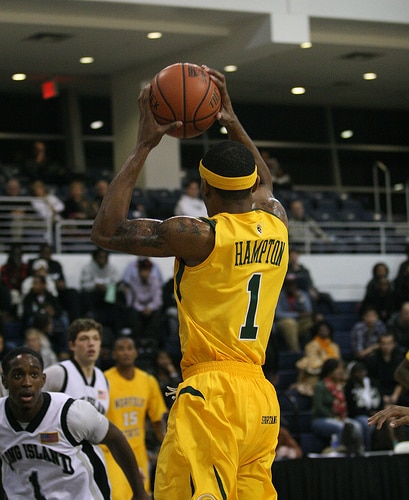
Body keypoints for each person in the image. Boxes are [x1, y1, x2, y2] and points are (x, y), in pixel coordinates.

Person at [90, 66, 288, 500]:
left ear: (205, 188)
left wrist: (144, 144)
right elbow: (266, 183)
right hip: (260, 398)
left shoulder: (198, 236)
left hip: (211, 393)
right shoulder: (276, 223)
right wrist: (231, 119)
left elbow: (106, 231)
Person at [0, 346, 149, 499]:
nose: (27, 383)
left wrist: (139, 492)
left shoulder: (70, 412)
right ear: (4, 381)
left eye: (33, 375)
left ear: (43, 380)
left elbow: (116, 438)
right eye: (18, 376)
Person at [103, 336, 168, 498]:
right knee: (118, 495)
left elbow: (157, 420)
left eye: (130, 348)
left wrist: (168, 445)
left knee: (141, 496)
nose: (126, 352)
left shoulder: (148, 381)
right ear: (114, 354)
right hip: (111, 452)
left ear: (136, 353)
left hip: (138, 452)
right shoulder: (103, 380)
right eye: (121, 349)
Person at [42, 318, 110, 415]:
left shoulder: (103, 378)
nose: (91, 343)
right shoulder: (59, 372)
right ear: (72, 345)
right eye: (84, 338)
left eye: (95, 338)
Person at [311, 358, 363, 450]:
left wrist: (341, 417)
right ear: (330, 370)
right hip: (321, 419)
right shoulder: (320, 386)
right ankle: (338, 452)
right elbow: (319, 407)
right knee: (341, 427)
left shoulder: (340, 386)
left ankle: (358, 450)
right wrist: (334, 417)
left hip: (340, 418)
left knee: (357, 426)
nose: (340, 371)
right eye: (337, 369)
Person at [293, 319, 342, 396]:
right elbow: (312, 363)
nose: (324, 332)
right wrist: (326, 361)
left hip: (333, 373)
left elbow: (338, 361)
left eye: (326, 329)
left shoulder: (334, 346)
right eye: (322, 330)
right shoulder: (311, 345)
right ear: (317, 331)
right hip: (317, 373)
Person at [344, 361, 383, 450]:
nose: (360, 374)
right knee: (367, 424)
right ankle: (367, 449)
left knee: (390, 421)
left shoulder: (373, 383)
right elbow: (351, 407)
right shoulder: (350, 386)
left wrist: (378, 411)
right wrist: (368, 413)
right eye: (357, 372)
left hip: (375, 412)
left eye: (362, 371)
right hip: (359, 415)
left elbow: (379, 397)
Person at [287, 246, 335, 314]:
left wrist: (313, 290)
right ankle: (316, 315)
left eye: (295, 255)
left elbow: (310, 282)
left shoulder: (304, 270)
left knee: (326, 296)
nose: (294, 257)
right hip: (297, 291)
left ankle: (336, 314)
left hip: (308, 290)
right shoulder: (287, 270)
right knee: (309, 297)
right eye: (292, 255)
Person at [274, 272, 314, 352]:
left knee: (311, 322)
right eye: (288, 284)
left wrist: (300, 300)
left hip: (299, 323)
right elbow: (277, 314)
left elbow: (308, 311)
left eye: (293, 284)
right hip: (282, 323)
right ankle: (295, 351)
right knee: (290, 323)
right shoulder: (278, 295)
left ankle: (311, 350)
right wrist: (297, 315)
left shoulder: (302, 295)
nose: (291, 287)